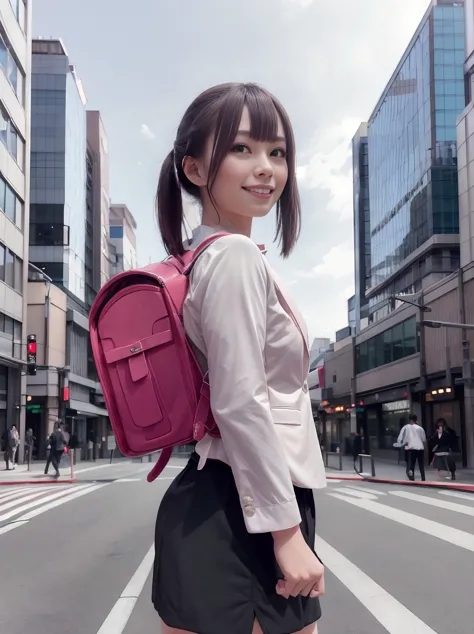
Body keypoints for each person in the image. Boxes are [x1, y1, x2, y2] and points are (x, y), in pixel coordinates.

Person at [152, 83, 327, 634]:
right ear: (197, 170)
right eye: (243, 149)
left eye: (277, 153)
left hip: (231, 498)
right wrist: (286, 532)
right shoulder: (230, 258)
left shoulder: (214, 256)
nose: (266, 168)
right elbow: (240, 400)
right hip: (245, 512)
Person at [397, 414, 426, 481]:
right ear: (416, 420)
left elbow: (400, 438)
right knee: (421, 464)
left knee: (411, 465)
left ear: (410, 420)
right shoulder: (420, 428)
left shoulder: (405, 427)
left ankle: (412, 479)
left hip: (410, 449)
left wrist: (401, 444)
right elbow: (424, 439)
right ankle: (423, 478)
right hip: (420, 448)